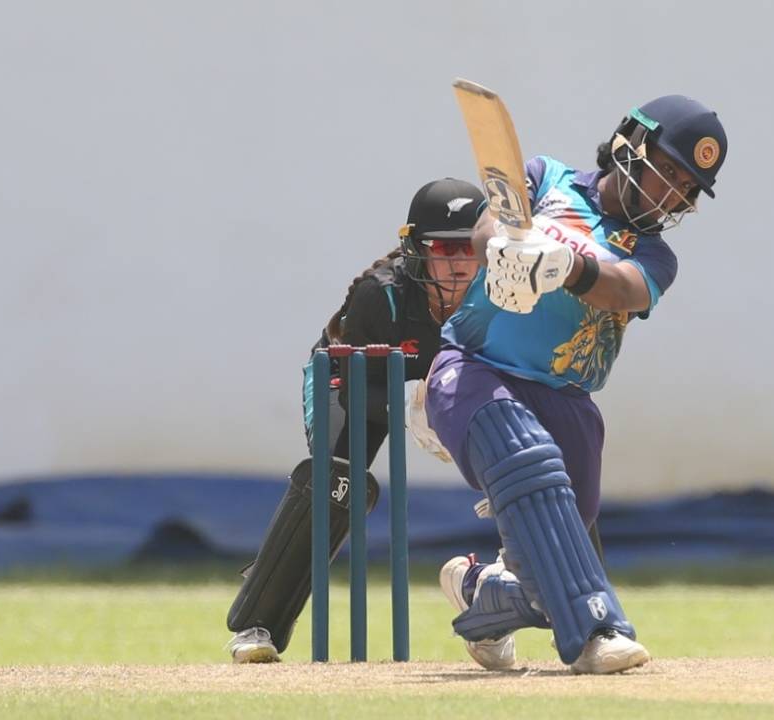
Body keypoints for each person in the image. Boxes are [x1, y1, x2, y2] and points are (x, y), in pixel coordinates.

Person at [427, 94, 728, 674]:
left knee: (551, 561)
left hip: (568, 402)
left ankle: (485, 598)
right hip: (476, 370)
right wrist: (509, 246)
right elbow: (488, 224)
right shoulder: (547, 177)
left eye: (685, 188)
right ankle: (599, 631)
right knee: (528, 458)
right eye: (667, 171)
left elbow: (621, 290)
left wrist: (567, 266)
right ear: (628, 146)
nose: (672, 194)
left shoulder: (658, 256)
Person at [224, 178, 484, 663]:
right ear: (416, 249)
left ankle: (529, 610)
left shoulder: (495, 293)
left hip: (434, 387)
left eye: (471, 247)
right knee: (335, 484)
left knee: (523, 458)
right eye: (445, 248)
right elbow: (357, 387)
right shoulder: (379, 296)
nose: (459, 262)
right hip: (348, 382)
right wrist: (412, 402)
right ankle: (256, 622)